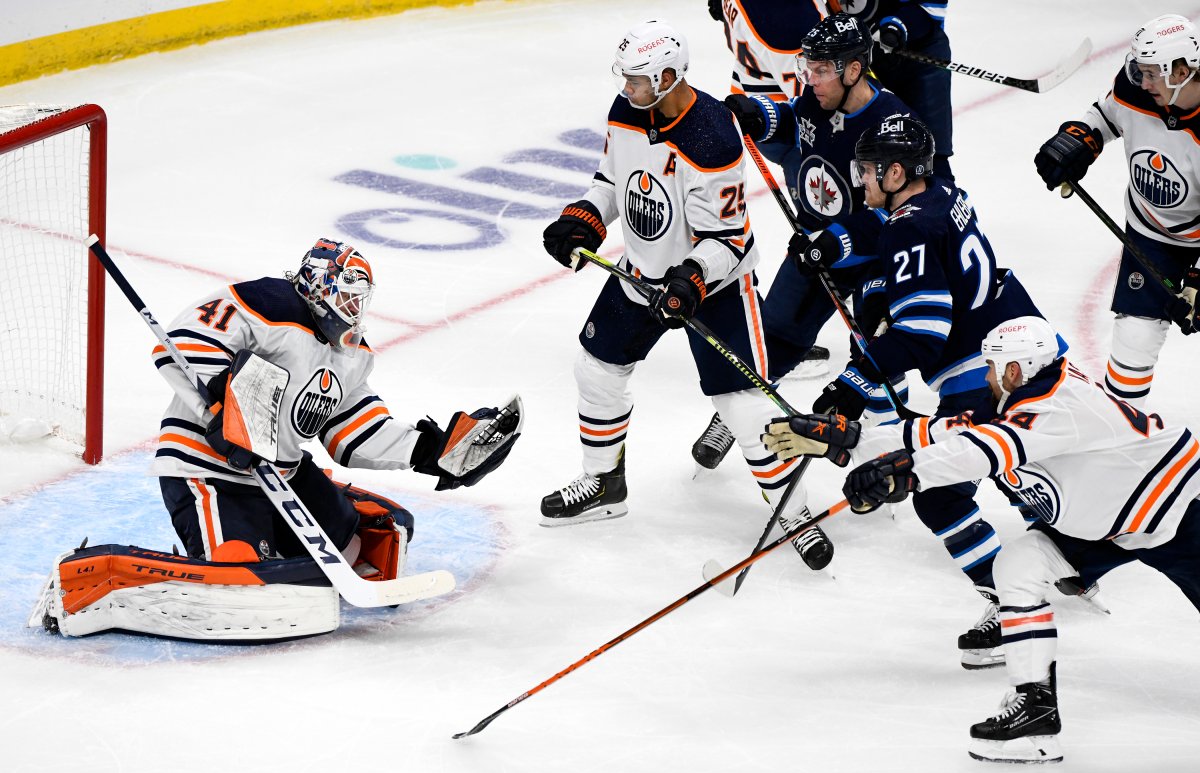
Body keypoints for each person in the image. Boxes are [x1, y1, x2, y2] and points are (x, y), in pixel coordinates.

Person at [770, 316, 1200, 763]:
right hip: (1109, 524)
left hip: (1180, 506)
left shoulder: (1058, 404)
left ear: (1015, 370)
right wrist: (852, 440)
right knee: (1018, 568)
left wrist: (909, 473)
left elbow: (983, 451)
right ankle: (1035, 714)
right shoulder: (1022, 397)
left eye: (993, 367)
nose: (987, 376)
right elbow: (949, 431)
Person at [538, 19, 834, 570]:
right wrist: (582, 222)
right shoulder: (626, 111)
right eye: (624, 78)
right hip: (640, 272)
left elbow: (729, 238)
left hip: (715, 285)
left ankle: (792, 509)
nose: (627, 88)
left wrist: (690, 279)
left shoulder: (714, 135)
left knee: (742, 406)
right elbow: (610, 181)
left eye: (636, 79)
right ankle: (604, 483)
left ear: (668, 76)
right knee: (597, 369)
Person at [811, 115, 1060, 668]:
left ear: (897, 172)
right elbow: (907, 249)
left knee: (938, 491)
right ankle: (1074, 553)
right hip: (1029, 340)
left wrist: (851, 384)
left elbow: (922, 338)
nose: (861, 180)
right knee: (1035, 463)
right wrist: (861, 271)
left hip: (985, 372)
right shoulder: (945, 193)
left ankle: (1009, 607)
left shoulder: (909, 229)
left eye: (870, 170)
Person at [690, 12, 915, 560]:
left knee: (881, 361)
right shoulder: (819, 97)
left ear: (855, 68)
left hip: (876, 261)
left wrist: (837, 241)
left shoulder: (892, 123)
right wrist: (759, 115)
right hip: (816, 248)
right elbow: (793, 126)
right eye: (806, 67)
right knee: (771, 340)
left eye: (818, 69)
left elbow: (911, 209)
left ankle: (886, 465)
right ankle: (733, 415)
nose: (807, 78)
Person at [153, 237, 520, 566]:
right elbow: (185, 343)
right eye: (347, 295)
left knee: (352, 553)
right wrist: (221, 405)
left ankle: (291, 538)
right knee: (239, 566)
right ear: (318, 285)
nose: (354, 308)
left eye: (360, 299)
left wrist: (430, 451)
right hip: (206, 469)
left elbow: (354, 430)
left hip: (280, 475)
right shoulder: (268, 303)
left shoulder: (350, 355)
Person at [1034, 13, 1200, 407]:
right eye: (1139, 71)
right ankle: (1121, 430)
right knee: (1134, 338)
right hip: (1151, 233)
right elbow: (1106, 116)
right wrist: (1078, 141)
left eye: (1151, 74)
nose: (1142, 82)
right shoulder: (1136, 89)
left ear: (1180, 71)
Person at [828, 0, 956, 180]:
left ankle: (943, 204)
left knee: (930, 162)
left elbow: (930, 10)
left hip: (918, 57)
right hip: (862, 65)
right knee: (871, 162)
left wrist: (896, 27)